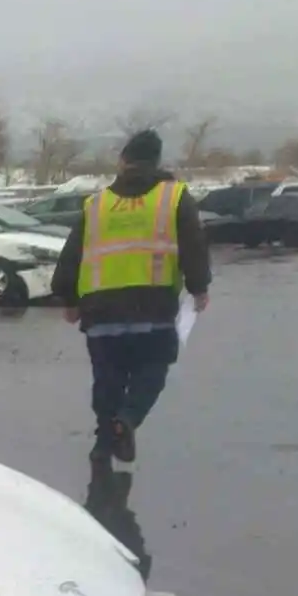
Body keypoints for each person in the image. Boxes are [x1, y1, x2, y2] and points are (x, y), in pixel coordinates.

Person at [51, 129, 211, 463]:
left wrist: (67, 299)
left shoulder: (97, 203)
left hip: (100, 310)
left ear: (124, 161)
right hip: (152, 307)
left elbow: (72, 253)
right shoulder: (174, 197)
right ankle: (127, 419)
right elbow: (193, 246)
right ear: (156, 161)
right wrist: (199, 288)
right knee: (152, 369)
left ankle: (103, 440)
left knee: (107, 378)